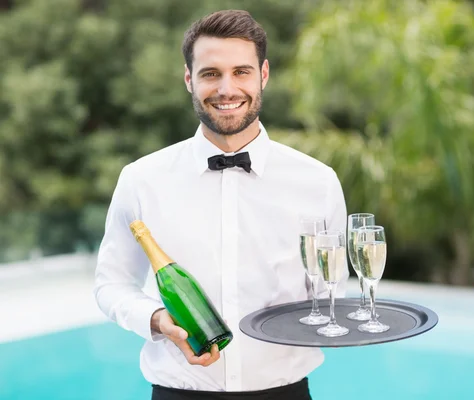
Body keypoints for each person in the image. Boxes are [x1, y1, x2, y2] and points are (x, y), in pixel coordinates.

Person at [94, 9, 349, 400]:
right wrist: (158, 320)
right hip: (179, 392)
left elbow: (335, 289)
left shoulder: (318, 182)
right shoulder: (141, 179)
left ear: (263, 75)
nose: (226, 89)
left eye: (241, 72)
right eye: (211, 73)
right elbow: (112, 284)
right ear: (188, 80)